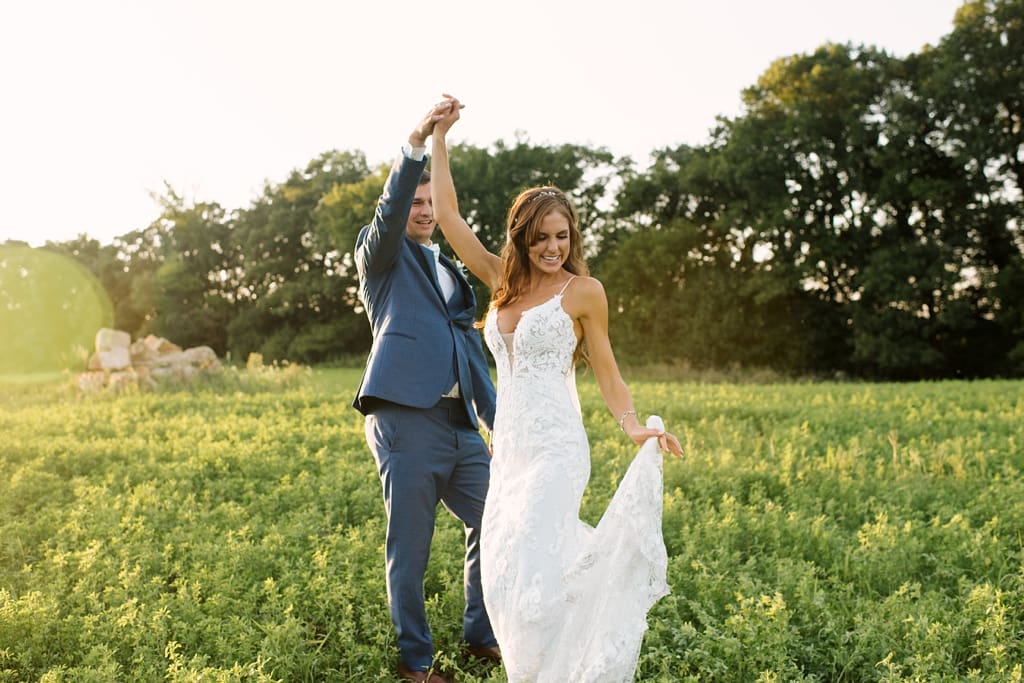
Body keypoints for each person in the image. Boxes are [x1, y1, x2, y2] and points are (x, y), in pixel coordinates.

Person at [429, 95, 685, 682]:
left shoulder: (583, 293)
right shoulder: (500, 281)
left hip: (558, 449)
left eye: (562, 236)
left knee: (539, 576)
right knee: (506, 570)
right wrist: (439, 139)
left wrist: (633, 425)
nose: (553, 248)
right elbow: (447, 217)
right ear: (522, 238)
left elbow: (608, 372)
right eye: (542, 237)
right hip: (510, 452)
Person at [352, 101, 501, 683]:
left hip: (460, 424)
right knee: (409, 548)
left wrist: (498, 422)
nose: (422, 210)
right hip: (404, 419)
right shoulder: (381, 257)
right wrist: (419, 142)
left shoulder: (452, 273)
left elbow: (469, 354)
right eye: (414, 201)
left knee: (498, 518)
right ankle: (415, 662)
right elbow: (391, 210)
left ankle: (482, 635)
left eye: (429, 203)